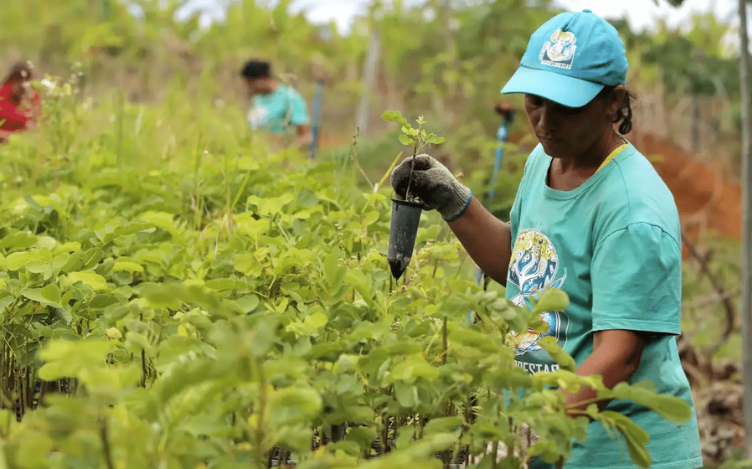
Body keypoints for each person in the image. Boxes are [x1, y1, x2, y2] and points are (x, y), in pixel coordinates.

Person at [390, 9, 702, 469]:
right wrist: (453, 201)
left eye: (566, 107)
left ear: (614, 102)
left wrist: (536, 427)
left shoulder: (633, 209)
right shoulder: (546, 160)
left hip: (616, 455)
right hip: (550, 443)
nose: (544, 122)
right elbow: (522, 263)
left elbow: (618, 357)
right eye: (536, 100)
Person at [240, 59, 311, 150]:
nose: (249, 87)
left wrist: (286, 154)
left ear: (263, 79)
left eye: (250, 83)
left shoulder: (289, 97)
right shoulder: (257, 99)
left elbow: (305, 136)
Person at [0, 61, 41, 142]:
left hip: (23, 140)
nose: (23, 85)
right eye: (19, 81)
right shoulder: (3, 94)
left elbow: (37, 123)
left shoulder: (33, 95)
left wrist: (29, 102)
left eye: (27, 81)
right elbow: (8, 114)